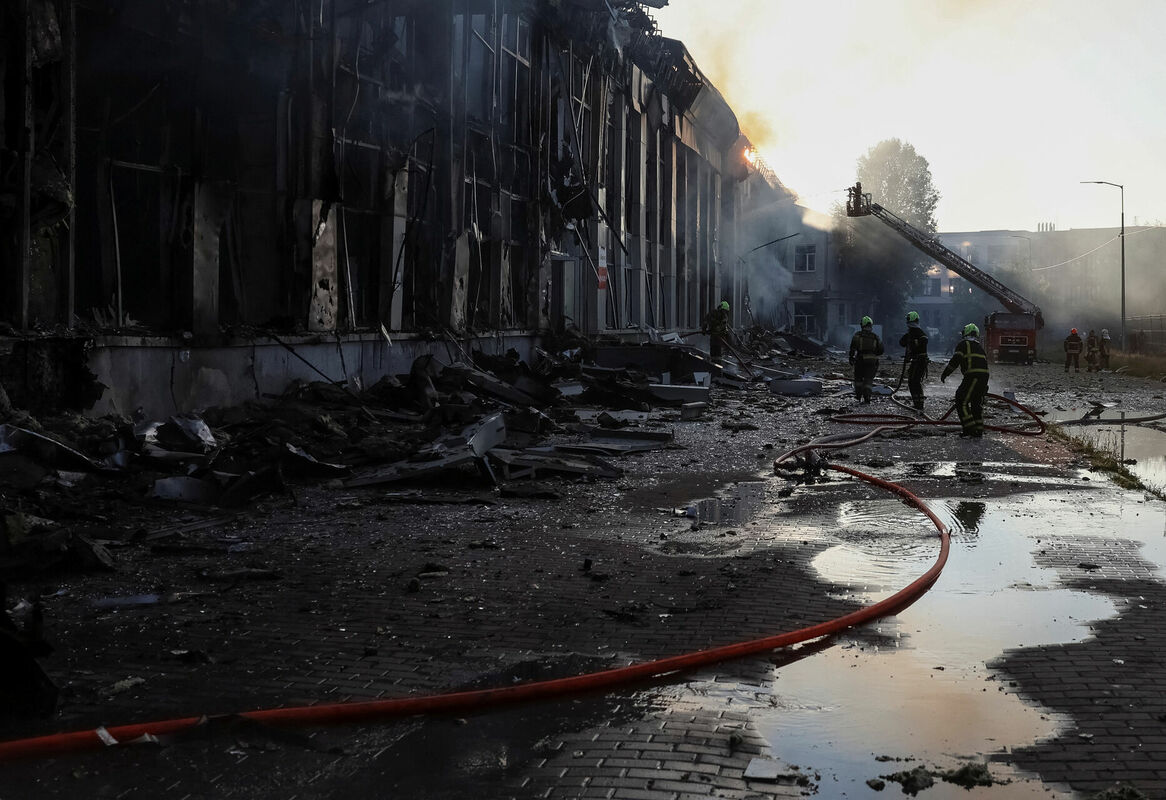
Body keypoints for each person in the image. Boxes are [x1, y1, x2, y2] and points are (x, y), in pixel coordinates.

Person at [941, 322, 990, 438]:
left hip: (973, 376)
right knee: (976, 403)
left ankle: (969, 429)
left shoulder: (963, 344)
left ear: (965, 333)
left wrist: (945, 374)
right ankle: (978, 430)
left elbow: (955, 361)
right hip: (983, 377)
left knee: (961, 400)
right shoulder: (979, 347)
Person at [848, 316, 883, 403]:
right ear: (871, 325)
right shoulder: (876, 337)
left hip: (861, 360)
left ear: (862, 325)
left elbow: (853, 348)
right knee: (868, 379)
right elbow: (881, 350)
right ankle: (867, 397)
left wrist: (851, 358)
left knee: (858, 378)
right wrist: (873, 354)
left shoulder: (857, 335)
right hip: (872, 361)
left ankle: (859, 396)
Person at [899, 310, 929, 411]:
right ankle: (918, 403)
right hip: (917, 361)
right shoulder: (914, 333)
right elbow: (902, 343)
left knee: (914, 382)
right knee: (913, 382)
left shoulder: (917, 333)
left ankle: (919, 404)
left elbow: (924, 341)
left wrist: (913, 347)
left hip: (919, 361)